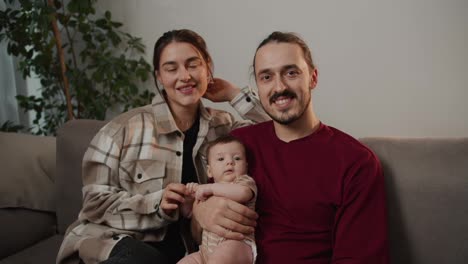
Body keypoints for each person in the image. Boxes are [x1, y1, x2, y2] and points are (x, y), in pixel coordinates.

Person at [56, 29, 269, 264]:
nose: (185, 76)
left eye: (193, 64)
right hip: (119, 243)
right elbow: (95, 205)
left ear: (208, 67)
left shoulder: (225, 128)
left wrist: (233, 94)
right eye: (171, 68)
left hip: (188, 253)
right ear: (159, 76)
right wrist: (158, 204)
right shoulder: (120, 130)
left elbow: (279, 133)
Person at [193, 31, 390, 263]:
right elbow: (201, 228)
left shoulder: (355, 161)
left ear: (313, 78)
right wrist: (200, 213)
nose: (279, 87)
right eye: (266, 77)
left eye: (291, 72)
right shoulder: (238, 146)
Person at [178, 135, 257, 264]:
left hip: (237, 243)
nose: (230, 162)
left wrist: (210, 188)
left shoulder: (243, 182)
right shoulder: (207, 192)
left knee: (219, 260)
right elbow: (194, 215)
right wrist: (188, 204)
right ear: (209, 171)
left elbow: (243, 193)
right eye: (221, 159)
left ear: (246, 167)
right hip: (205, 250)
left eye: (237, 158)